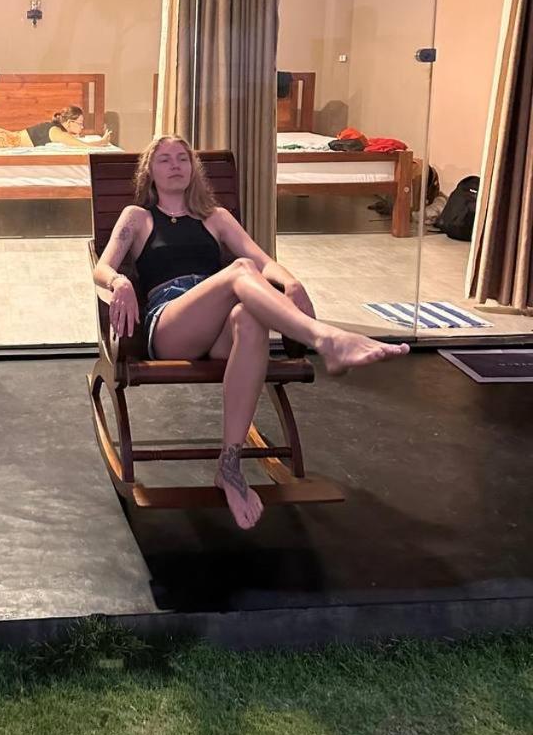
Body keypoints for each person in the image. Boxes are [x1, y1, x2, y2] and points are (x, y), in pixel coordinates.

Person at [92, 135, 409, 531]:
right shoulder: (137, 217)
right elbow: (102, 267)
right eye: (164, 160)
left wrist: (291, 282)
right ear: (149, 173)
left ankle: (230, 466)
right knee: (242, 270)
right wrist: (120, 281)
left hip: (219, 325)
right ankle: (325, 339)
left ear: (193, 169)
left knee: (250, 317)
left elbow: (264, 261)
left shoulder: (217, 218)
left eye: (183, 158)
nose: (175, 165)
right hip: (171, 321)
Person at [0, 105, 112, 150]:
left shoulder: (54, 128)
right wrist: (101, 142)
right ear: (68, 123)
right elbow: (80, 146)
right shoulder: (56, 132)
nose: (82, 127)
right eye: (79, 123)